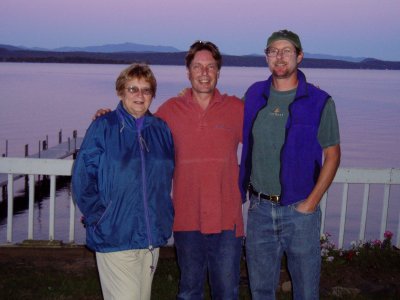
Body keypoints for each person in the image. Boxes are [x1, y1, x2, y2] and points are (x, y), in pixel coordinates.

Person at [93, 41, 244, 299]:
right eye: (198, 66)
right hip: (185, 218)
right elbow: (139, 126)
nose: (204, 72)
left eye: (210, 67)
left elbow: (267, 134)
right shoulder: (170, 111)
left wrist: (299, 93)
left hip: (227, 220)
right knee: (189, 290)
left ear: (218, 71)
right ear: (188, 72)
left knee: (227, 292)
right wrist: (109, 119)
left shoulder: (237, 109)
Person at [239, 30, 341, 300]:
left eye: (286, 50)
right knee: (260, 291)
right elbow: (224, 122)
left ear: (299, 56)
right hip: (259, 210)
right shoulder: (253, 95)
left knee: (306, 291)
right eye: (273, 51)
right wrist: (189, 98)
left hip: (300, 212)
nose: (280, 56)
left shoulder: (320, 102)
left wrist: (310, 203)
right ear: (267, 57)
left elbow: (332, 154)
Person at [72, 63, 174, 300]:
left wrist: (165, 214)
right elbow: (82, 178)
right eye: (132, 89)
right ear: (120, 92)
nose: (140, 95)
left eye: (146, 90)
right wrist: (101, 217)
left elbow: (166, 177)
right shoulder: (103, 127)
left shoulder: (161, 130)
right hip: (115, 235)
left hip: (150, 239)